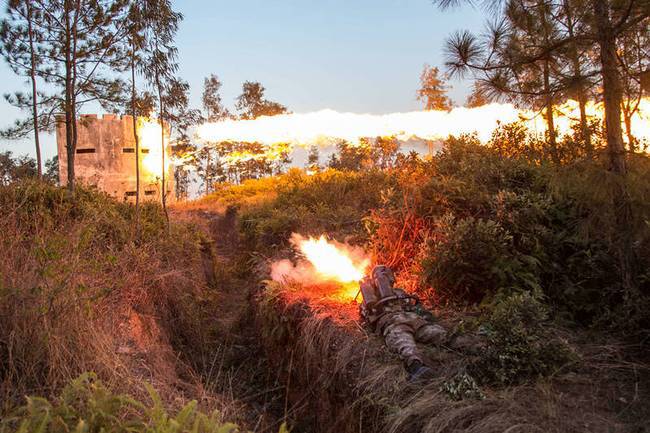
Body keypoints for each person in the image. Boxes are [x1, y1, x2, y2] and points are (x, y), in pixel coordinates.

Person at [359, 265, 446, 382]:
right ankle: (418, 368)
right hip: (405, 321)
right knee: (413, 342)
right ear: (392, 278)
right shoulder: (378, 297)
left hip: (403, 322)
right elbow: (417, 308)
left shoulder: (378, 298)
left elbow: (368, 320)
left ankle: (417, 368)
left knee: (410, 343)